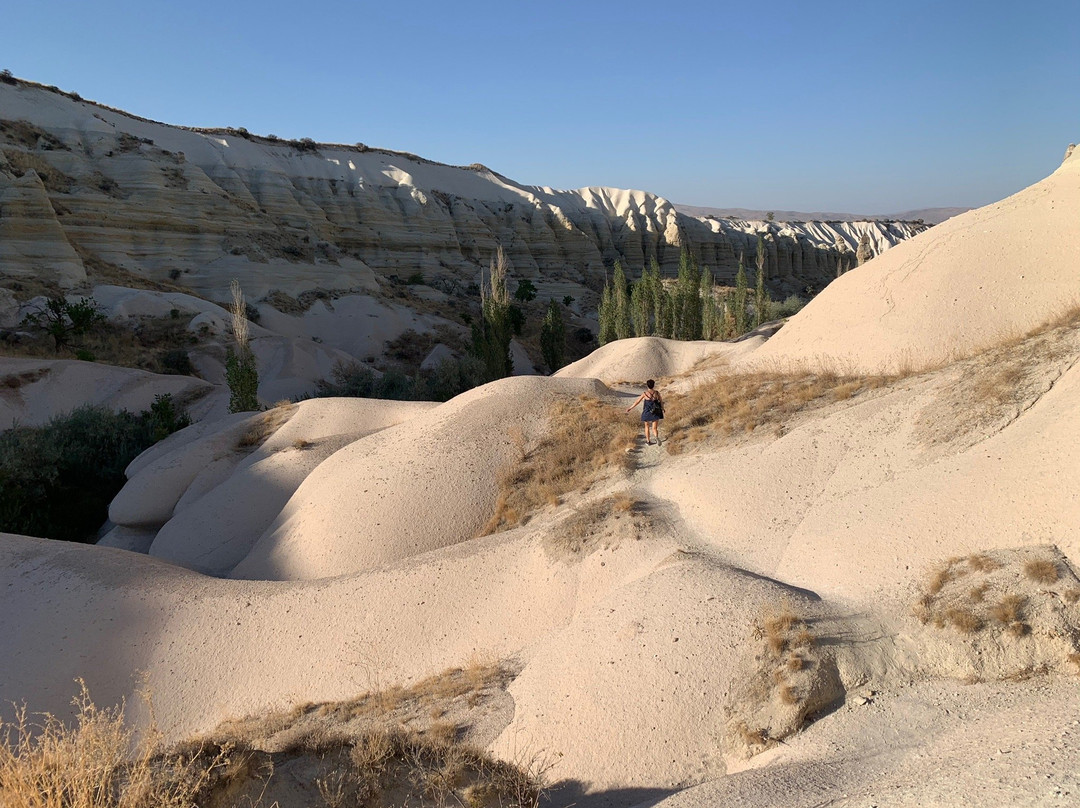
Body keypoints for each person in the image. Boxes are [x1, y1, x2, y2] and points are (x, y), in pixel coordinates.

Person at [626, 379, 664, 445]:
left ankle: (648, 441)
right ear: (653, 385)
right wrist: (663, 409)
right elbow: (661, 401)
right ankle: (656, 437)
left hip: (647, 412)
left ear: (647, 385)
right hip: (656, 412)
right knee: (654, 428)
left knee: (647, 426)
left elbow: (637, 402)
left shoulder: (645, 394)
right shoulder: (657, 393)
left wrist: (630, 408)